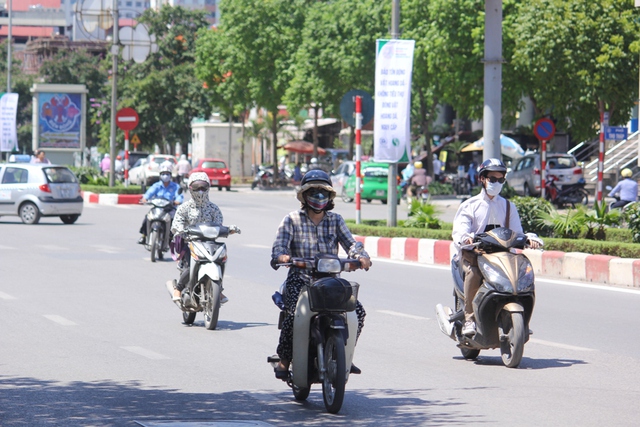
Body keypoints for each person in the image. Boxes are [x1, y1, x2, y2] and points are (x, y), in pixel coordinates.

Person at [271, 170, 371, 379]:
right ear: (305, 196)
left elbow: (351, 244)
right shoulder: (291, 220)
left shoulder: (335, 220)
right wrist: (282, 256)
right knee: (294, 316)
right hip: (301, 279)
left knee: (358, 312)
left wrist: (360, 256)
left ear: (330, 197)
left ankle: (344, 354)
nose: (318, 197)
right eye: (313, 192)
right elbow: (279, 247)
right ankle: (284, 360)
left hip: (329, 282)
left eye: (323, 193)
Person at [452, 158, 540, 336]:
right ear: (482, 179)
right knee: (474, 274)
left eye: (501, 180)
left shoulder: (508, 206)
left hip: (501, 256)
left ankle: (522, 320)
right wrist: (466, 238)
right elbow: (460, 231)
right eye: (493, 179)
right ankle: (469, 319)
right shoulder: (470, 206)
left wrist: (529, 238)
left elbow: (517, 232)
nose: (497, 183)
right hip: (475, 255)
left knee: (523, 274)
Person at [171, 172, 233, 302]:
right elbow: (177, 222)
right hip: (190, 243)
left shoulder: (213, 208)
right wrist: (179, 230)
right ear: (190, 188)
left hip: (210, 243)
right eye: (196, 187)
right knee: (191, 265)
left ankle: (218, 289)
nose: (200, 191)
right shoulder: (184, 208)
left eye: (203, 187)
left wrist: (228, 230)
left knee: (220, 260)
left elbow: (219, 224)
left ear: (208, 188)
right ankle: (178, 288)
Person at [138, 162, 184, 244]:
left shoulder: (175, 186)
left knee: (174, 220)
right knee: (147, 218)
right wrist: (145, 198)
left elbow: (179, 196)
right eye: (163, 174)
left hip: (169, 208)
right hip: (157, 207)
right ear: (160, 175)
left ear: (170, 175)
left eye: (167, 174)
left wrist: (178, 201)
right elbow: (149, 193)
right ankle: (144, 236)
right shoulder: (156, 185)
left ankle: (171, 238)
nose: (165, 176)